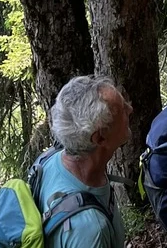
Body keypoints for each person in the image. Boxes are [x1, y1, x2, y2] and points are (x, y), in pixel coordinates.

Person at [42, 75, 133, 248]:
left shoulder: (49, 161)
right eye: (121, 110)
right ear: (100, 138)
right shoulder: (90, 232)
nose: (130, 109)